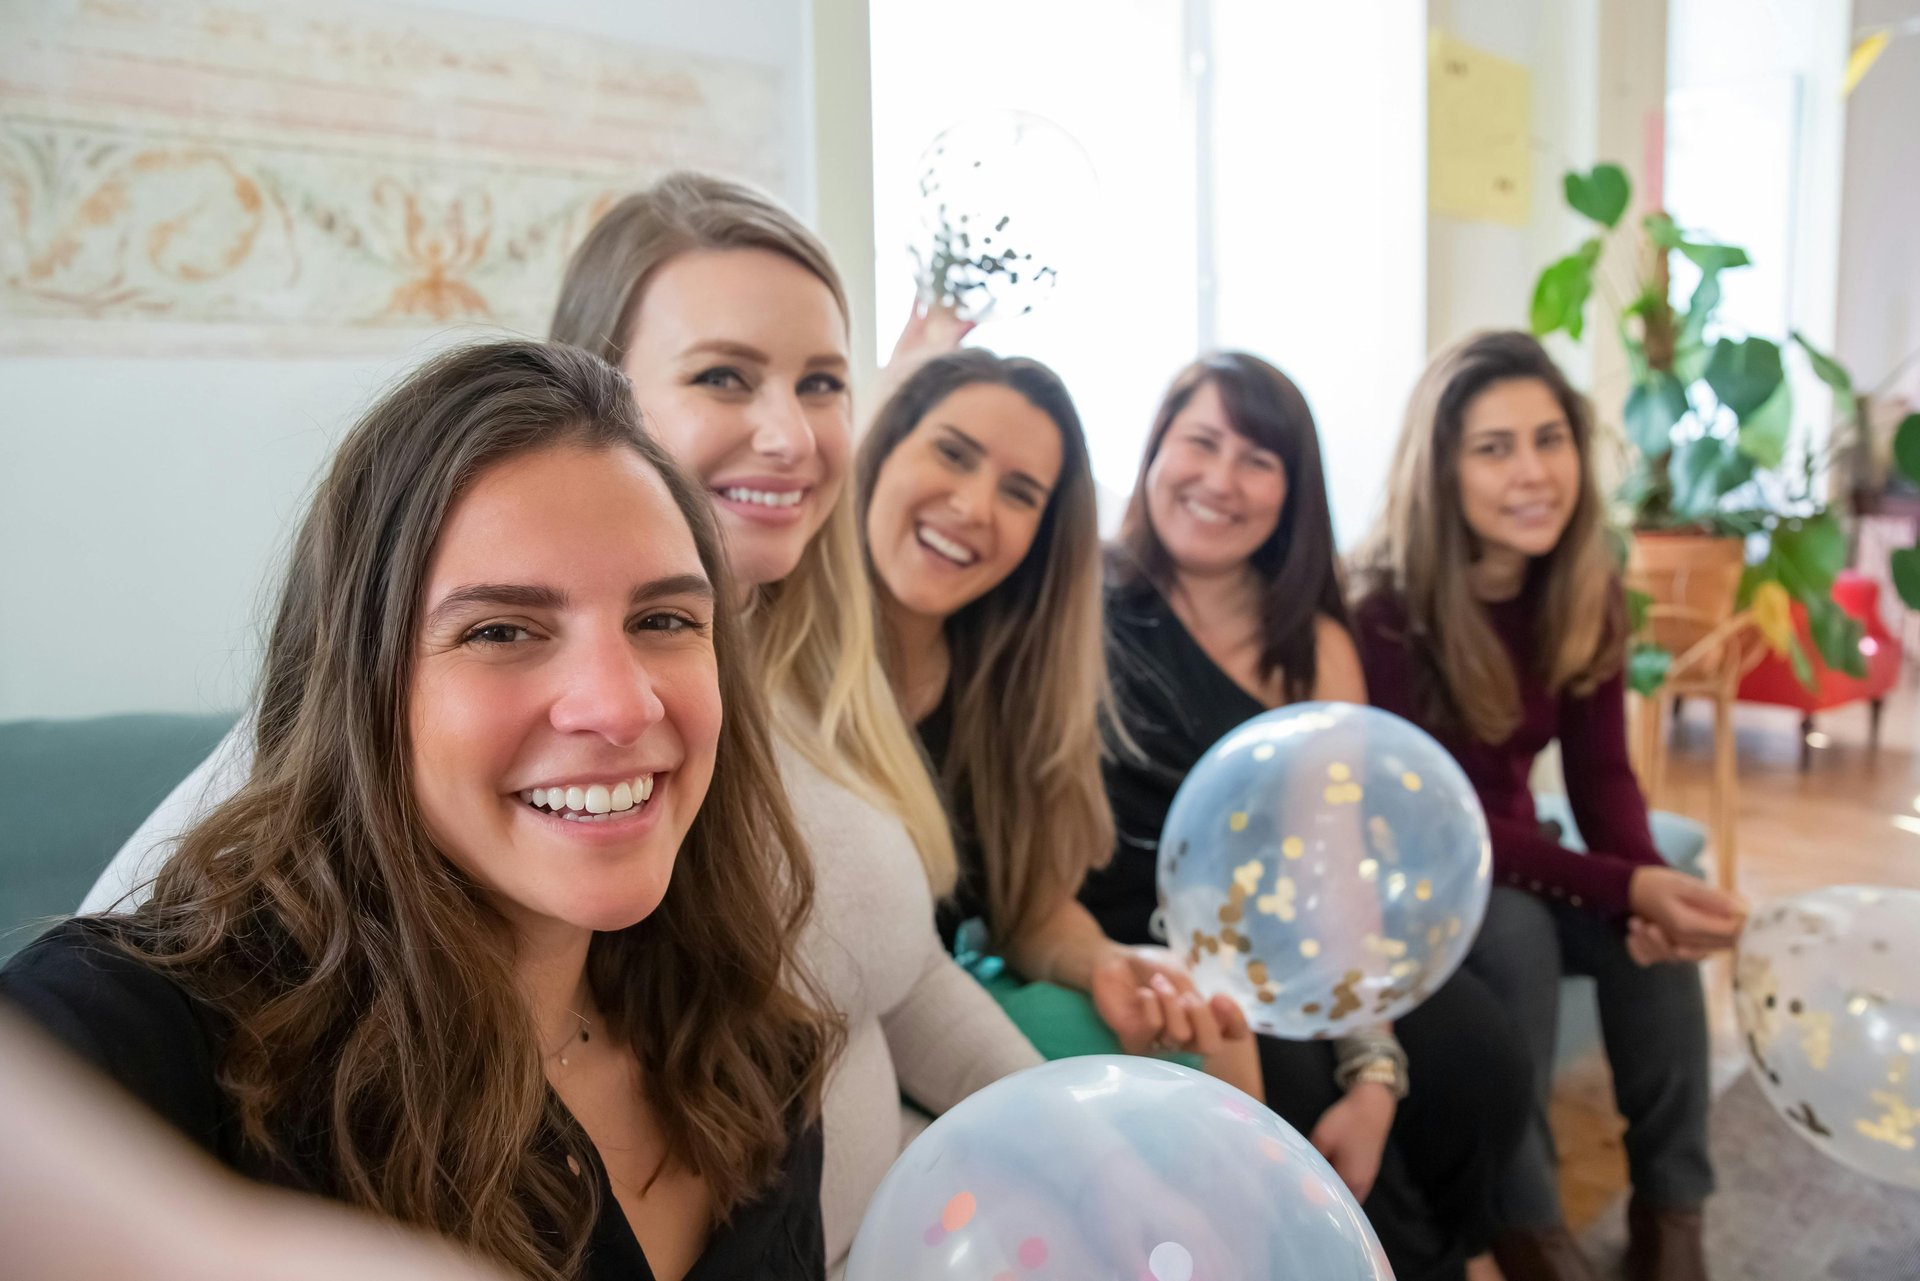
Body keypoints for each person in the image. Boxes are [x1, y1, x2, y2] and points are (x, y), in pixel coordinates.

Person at [79, 171, 1043, 1272]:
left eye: (823, 383)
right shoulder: (376, 713)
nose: (789, 433)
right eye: (726, 376)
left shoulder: (806, 679)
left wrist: (1083, 1138)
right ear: (597, 385)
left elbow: (899, 978)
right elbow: (146, 999)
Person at [4, 340, 837, 1280]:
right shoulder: (159, 1031)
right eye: (501, 630)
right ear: (360, 687)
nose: (622, 705)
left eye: (663, 620)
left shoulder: (761, 1061)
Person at [1085, 352, 1531, 1281]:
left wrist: (1374, 1063)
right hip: (1152, 945)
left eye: (1258, 460)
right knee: (1290, 1102)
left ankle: (1459, 1247)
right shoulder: (1081, 606)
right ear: (1155, 449)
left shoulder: (1315, 645)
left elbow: (1331, 863)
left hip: (1297, 942)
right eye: (1199, 441)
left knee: (1478, 1052)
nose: (1220, 479)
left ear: (1292, 492)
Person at [1350, 330, 1746, 1281]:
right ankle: (1527, 1228)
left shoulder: (1583, 584)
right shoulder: (1381, 606)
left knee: (1648, 942)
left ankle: (1672, 1219)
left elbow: (1604, 777)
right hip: (1410, 876)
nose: (1533, 472)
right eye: (1495, 448)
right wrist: (1627, 882)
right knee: (1521, 929)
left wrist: (1641, 888)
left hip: (1518, 850)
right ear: (1442, 468)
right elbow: (1441, 823)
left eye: (1550, 439)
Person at [854, 349, 1258, 1089]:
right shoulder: (774, 644)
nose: (974, 507)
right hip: (841, 1033)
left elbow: (1032, 910)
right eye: (952, 452)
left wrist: (1105, 962)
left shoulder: (1005, 687)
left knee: (1212, 1026)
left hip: (938, 1009)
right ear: (882, 449)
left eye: (1019, 493)